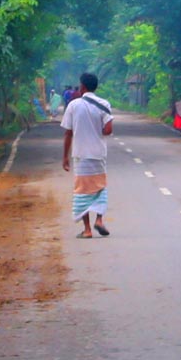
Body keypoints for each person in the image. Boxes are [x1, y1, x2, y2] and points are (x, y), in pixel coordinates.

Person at [61, 72, 113, 238]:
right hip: (98, 154)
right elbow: (108, 130)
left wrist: (65, 157)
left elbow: (68, 133)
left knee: (82, 191)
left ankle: (87, 229)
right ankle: (99, 220)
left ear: (82, 86)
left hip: (81, 155)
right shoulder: (104, 104)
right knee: (99, 188)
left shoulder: (73, 105)